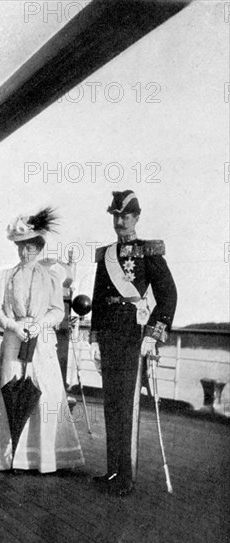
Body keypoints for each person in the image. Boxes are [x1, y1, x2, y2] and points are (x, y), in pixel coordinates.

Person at [90, 190, 177, 496]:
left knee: (128, 406)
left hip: (134, 338)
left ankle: (126, 476)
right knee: (111, 404)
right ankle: (113, 471)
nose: (119, 221)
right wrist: (95, 339)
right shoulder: (107, 255)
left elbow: (168, 296)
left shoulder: (149, 252)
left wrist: (153, 335)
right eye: (115, 215)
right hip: (111, 338)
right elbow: (99, 300)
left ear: (136, 217)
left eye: (125, 216)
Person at [0, 208, 84, 473]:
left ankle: (42, 458)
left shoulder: (51, 277)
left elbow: (57, 311)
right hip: (13, 338)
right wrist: (13, 325)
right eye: (20, 247)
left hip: (40, 343)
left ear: (39, 248)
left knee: (44, 395)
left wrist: (38, 324)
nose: (24, 253)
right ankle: (9, 457)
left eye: (29, 248)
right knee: (11, 391)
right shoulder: (5, 276)